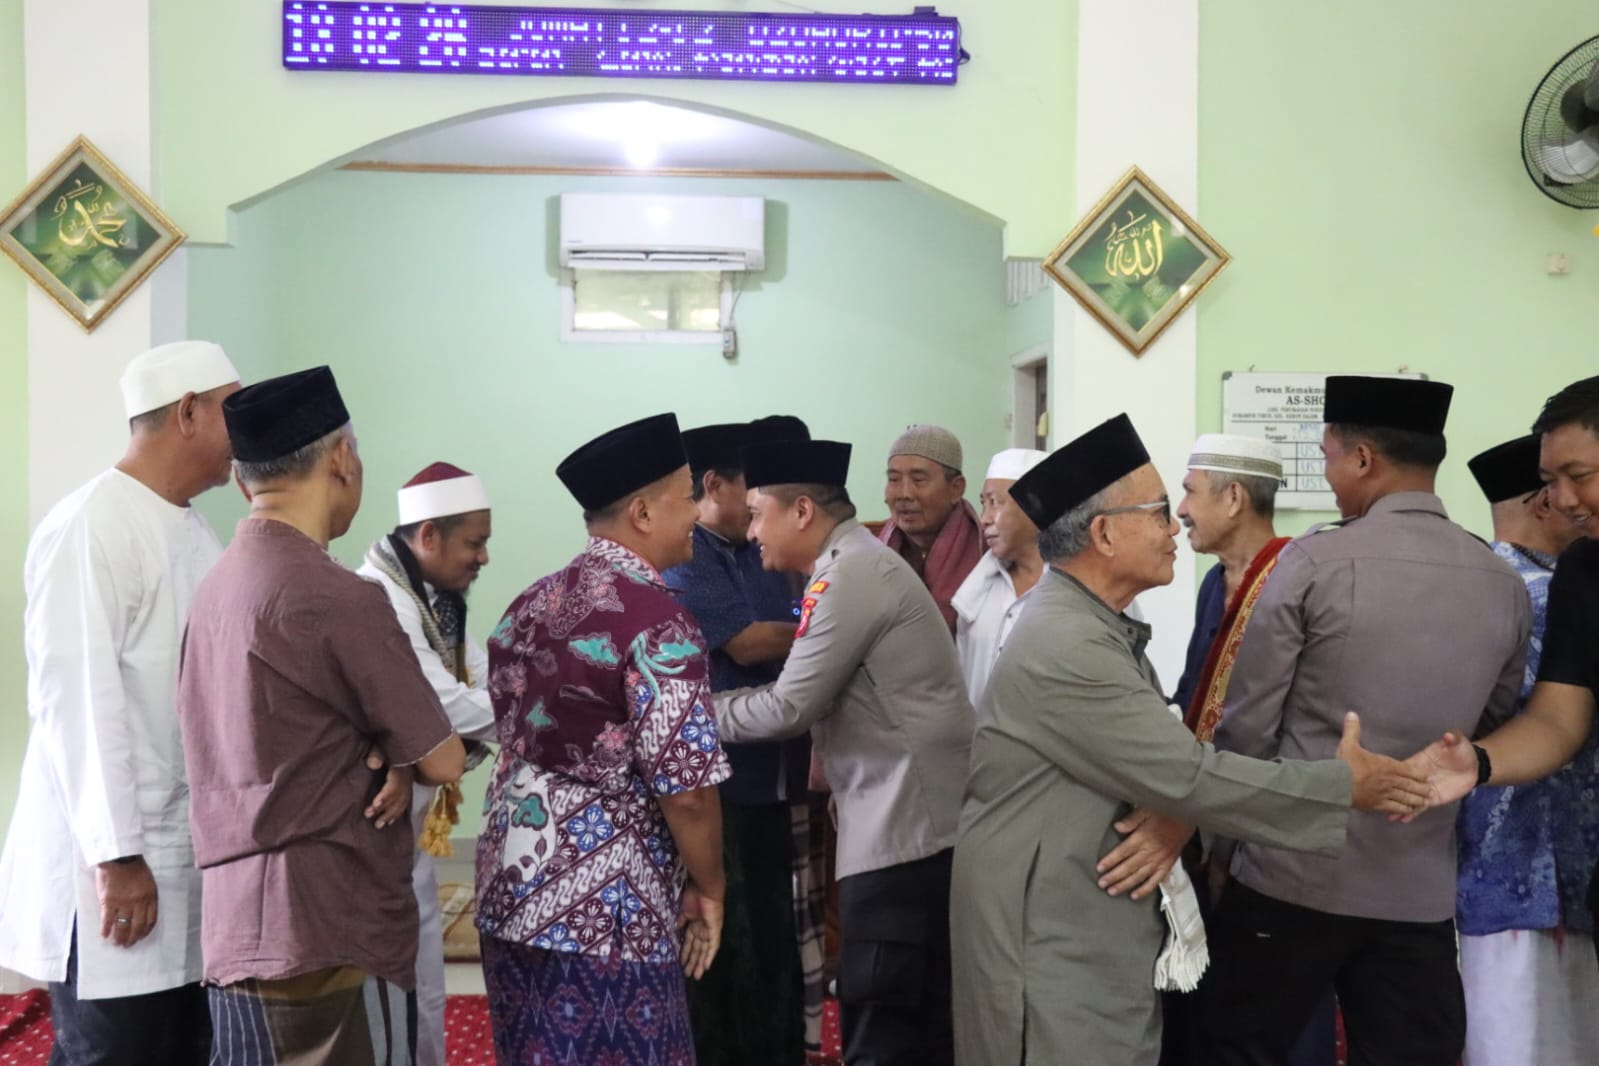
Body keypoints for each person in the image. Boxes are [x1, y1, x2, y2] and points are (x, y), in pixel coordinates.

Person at [949, 413, 1433, 1066]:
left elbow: (1165, 769)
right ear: (1104, 534)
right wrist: (1345, 786)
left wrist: (1181, 810)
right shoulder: (1067, 641)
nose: (1174, 523)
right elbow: (1188, 774)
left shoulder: (1092, 621)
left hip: (1074, 907)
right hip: (1045, 925)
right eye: (1156, 510)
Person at [1199, 376, 1530, 1066]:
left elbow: (1247, 729)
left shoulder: (1311, 561)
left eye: (1327, 458)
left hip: (1289, 878)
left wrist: (1221, 855)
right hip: (1417, 893)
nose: (1326, 476)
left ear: (1361, 459)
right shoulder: (1500, 581)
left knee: (1235, 1050)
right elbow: (1490, 726)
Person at [177, 366, 467, 1065]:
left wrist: (388, 753)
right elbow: (442, 758)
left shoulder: (214, 588)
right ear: (342, 459)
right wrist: (400, 756)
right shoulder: (338, 596)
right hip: (333, 922)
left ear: (243, 481)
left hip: (235, 925)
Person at [0, 341, 239, 1066]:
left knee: (180, 1047)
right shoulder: (92, 523)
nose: (247, 431)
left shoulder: (194, 528)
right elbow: (77, 700)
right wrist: (117, 856)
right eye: (234, 410)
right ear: (188, 412)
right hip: (114, 867)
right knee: (116, 1050)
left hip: (184, 856)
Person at [475, 413, 730, 1066]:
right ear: (642, 513)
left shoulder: (530, 602)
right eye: (687, 498)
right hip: (606, 906)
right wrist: (710, 885)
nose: (698, 513)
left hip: (508, 886)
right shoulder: (660, 624)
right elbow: (687, 791)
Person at [714, 437, 973, 1066]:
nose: (752, 532)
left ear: (802, 510)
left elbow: (787, 707)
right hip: (900, 823)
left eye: (758, 514)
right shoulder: (851, 563)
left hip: (905, 838)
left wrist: (684, 714)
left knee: (883, 1026)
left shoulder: (851, 574)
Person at [1414, 378, 1599, 971]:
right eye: (1549, 482)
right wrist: (1478, 762)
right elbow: (1557, 719)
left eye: (1579, 476)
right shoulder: (1582, 572)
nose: (1563, 500)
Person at [662, 421, 807, 1066]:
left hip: (773, 771)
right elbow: (747, 643)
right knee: (728, 942)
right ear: (715, 484)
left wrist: (813, 626)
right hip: (720, 784)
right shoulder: (689, 555)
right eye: (751, 484)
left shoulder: (751, 545)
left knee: (776, 936)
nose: (758, 500)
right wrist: (830, 628)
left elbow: (788, 622)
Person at [1452, 433, 1596, 1066]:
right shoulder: (1543, 593)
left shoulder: (1472, 586)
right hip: (1552, 870)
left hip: (1478, 865)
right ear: (1544, 500)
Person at [355, 460, 497, 1066]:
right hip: (371, 835)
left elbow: (483, 677)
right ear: (430, 536)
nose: (484, 557)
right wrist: (547, 719)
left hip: (409, 827)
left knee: (426, 993)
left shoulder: (433, 599)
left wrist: (531, 699)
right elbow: (444, 706)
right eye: (475, 543)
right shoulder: (380, 597)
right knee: (393, 999)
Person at [1170, 433, 1290, 729]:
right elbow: (1192, 689)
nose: (1181, 510)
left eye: (1190, 492)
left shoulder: (1293, 579)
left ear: (1234, 498)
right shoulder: (1214, 582)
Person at [951, 447, 1048, 708]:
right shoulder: (974, 593)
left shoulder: (1086, 590)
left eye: (995, 502)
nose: (984, 519)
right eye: (983, 504)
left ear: (1034, 506)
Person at [878, 424, 982, 633]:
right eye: (894, 480)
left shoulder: (986, 555)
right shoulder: (877, 551)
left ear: (956, 488)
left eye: (919, 480)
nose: (904, 494)